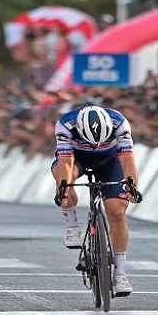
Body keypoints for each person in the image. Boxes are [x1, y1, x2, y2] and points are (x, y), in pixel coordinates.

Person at [51, 105, 142, 297]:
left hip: (110, 161)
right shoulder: (66, 125)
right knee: (65, 185)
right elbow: (66, 163)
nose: (96, 146)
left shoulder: (120, 122)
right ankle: (71, 223)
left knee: (117, 212)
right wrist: (64, 188)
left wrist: (132, 186)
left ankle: (119, 273)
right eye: (91, 142)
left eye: (101, 142)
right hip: (76, 159)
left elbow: (127, 160)